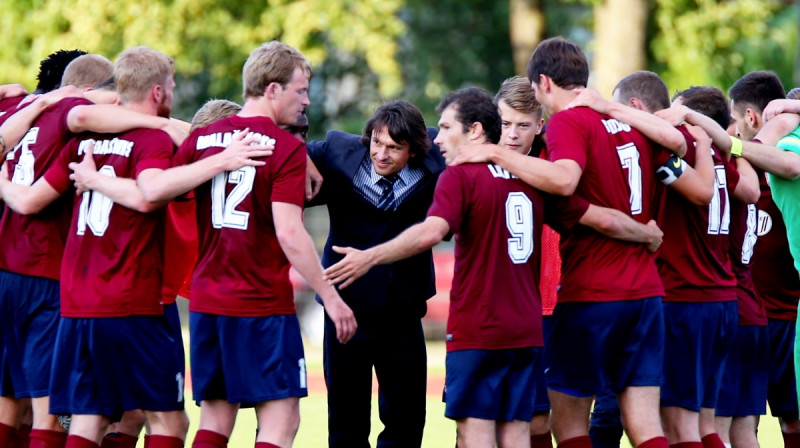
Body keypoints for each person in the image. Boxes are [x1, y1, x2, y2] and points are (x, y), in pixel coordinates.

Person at [0, 46, 195, 448]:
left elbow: (28, 199)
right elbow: (148, 193)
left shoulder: (63, 134)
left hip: (63, 293)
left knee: (77, 414)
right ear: (158, 91)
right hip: (115, 293)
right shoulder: (140, 135)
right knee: (157, 419)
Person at [304, 99, 443, 448]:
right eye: (377, 143)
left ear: (413, 150)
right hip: (346, 309)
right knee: (346, 422)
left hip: (404, 310)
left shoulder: (435, 160)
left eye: (394, 148)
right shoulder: (339, 152)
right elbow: (286, 152)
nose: (382, 154)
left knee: (407, 420)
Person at [727, 73, 800, 448]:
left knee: (792, 424)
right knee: (742, 425)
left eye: (735, 123)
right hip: (748, 321)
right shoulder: (732, 175)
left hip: (787, 320)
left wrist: (790, 111)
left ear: (752, 120)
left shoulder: (784, 161)